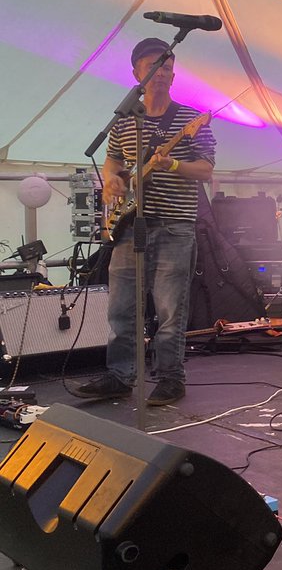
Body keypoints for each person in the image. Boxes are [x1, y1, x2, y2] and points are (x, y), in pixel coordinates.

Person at [71, 37, 216, 405]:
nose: (162, 74)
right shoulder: (124, 120)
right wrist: (112, 182)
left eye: (167, 67)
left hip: (174, 224)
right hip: (129, 225)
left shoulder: (188, 118)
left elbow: (207, 171)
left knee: (170, 308)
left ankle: (170, 378)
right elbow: (112, 161)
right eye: (154, 67)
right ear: (137, 72)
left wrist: (172, 164)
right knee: (121, 306)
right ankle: (121, 375)